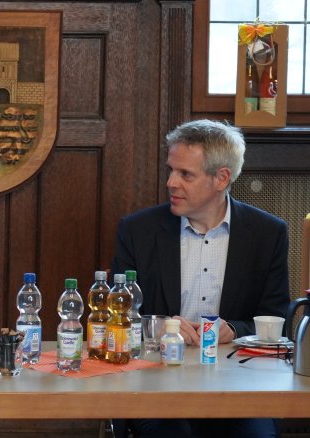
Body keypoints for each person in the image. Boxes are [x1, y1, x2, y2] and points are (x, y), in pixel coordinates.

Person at [112, 119, 288, 438]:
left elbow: (276, 317)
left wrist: (234, 328)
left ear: (221, 178)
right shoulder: (137, 231)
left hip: (239, 384)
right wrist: (161, 324)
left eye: (185, 174)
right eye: (171, 170)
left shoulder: (267, 234)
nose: (170, 183)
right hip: (156, 383)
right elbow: (117, 317)